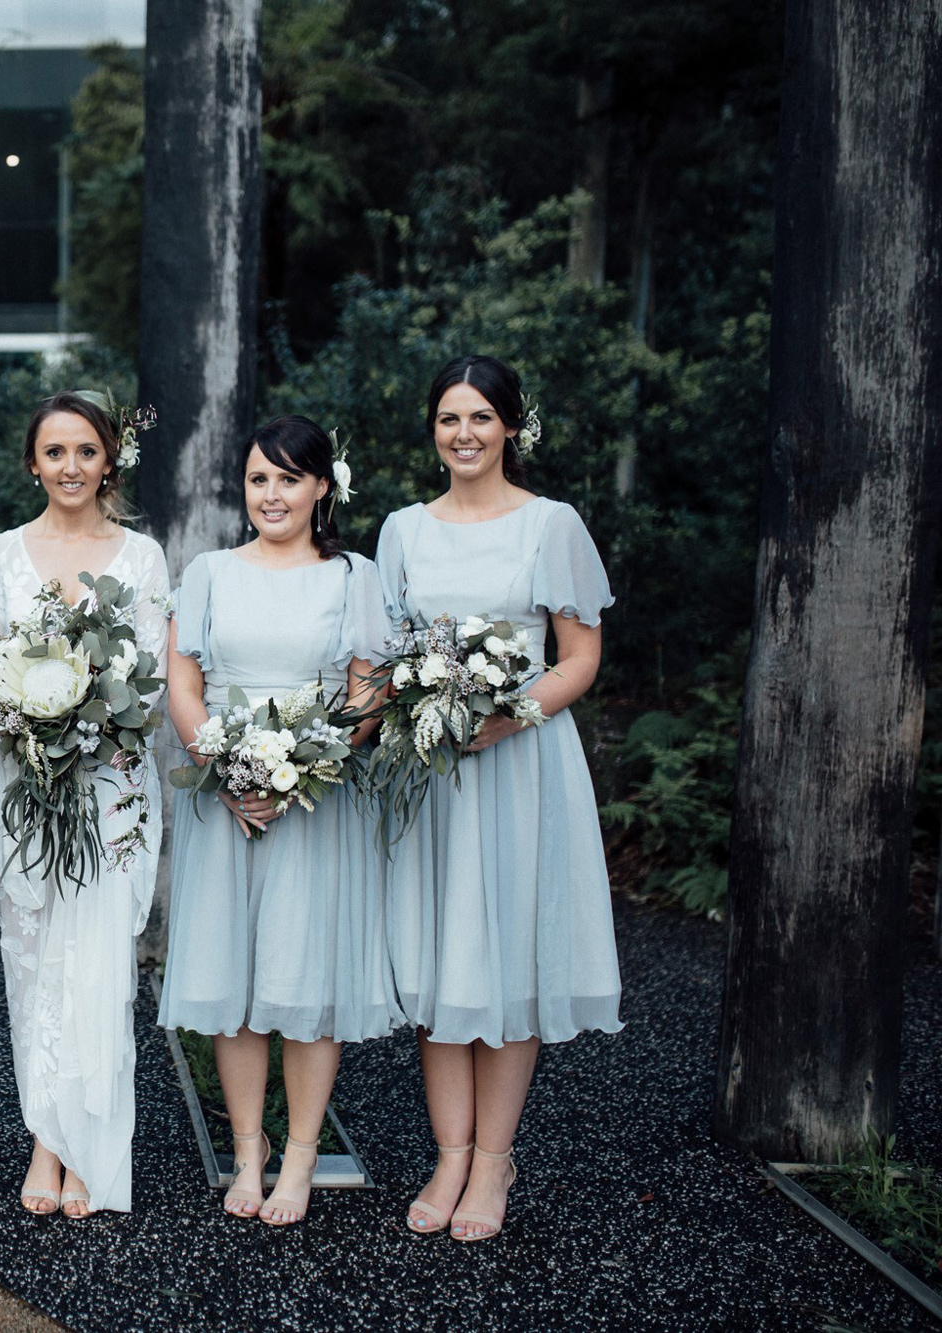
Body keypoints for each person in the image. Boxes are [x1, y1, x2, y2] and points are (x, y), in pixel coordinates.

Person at [376, 354, 621, 1241]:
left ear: (512, 426)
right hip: (433, 768)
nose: (465, 433)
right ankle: (449, 1154)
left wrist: (506, 715)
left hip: (523, 766)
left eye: (481, 416)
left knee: (511, 952)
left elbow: (580, 658)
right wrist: (419, 706)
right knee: (440, 953)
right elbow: (384, 655)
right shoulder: (403, 530)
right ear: (433, 430)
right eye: (450, 418)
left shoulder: (551, 524)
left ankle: (493, 1161)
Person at [157, 415, 399, 1226]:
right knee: (233, 978)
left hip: (316, 802)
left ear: (321, 487)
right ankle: (247, 1151)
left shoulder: (353, 577)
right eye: (259, 478)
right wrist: (229, 771)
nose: (271, 494)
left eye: (289, 479)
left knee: (305, 979)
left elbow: (367, 691)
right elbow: (183, 684)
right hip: (224, 798)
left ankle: (300, 1155)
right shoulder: (209, 572)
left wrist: (302, 767)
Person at [0, 390, 170, 1217]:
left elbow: (150, 678)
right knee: (31, 960)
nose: (71, 466)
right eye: (55, 451)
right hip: (23, 781)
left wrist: (90, 719)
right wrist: (33, 723)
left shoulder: (142, 556)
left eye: (86, 451)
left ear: (109, 460)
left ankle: (88, 1143)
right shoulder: (1, 556)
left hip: (110, 782)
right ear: (33, 463)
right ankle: (43, 1141)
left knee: (96, 965)